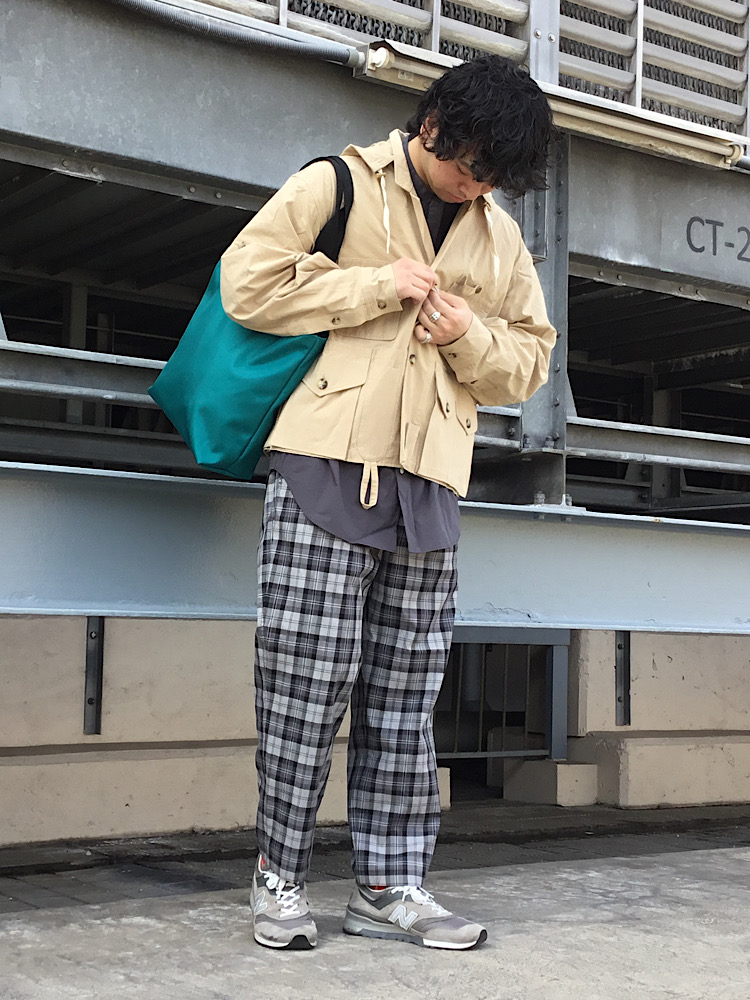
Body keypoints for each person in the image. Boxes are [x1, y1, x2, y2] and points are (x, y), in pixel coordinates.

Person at [220, 54, 557, 951]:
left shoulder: (499, 237)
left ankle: (387, 887)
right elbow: (245, 283)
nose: (478, 186)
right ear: (433, 125)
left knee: (406, 704)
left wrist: (469, 333)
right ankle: (279, 878)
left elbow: (529, 363)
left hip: (431, 487)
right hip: (324, 467)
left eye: (495, 177)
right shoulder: (336, 184)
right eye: (471, 166)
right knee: (303, 689)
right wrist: (377, 285)